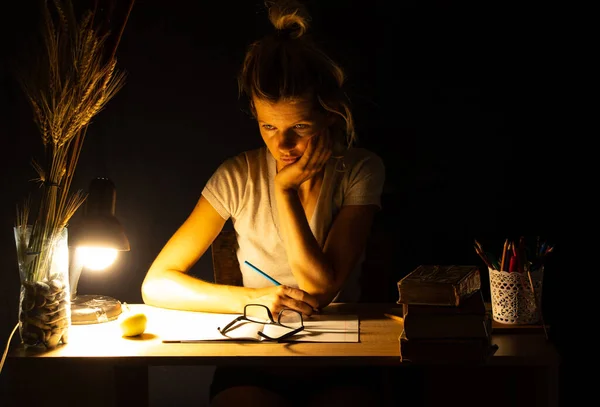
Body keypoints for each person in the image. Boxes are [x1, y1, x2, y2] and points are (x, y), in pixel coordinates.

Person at [141, 1, 386, 406]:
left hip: (341, 355)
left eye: (300, 127)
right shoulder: (235, 176)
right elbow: (157, 283)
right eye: (268, 126)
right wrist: (255, 298)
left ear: (330, 116)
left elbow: (320, 288)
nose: (282, 144)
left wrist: (285, 190)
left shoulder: (360, 169)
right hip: (255, 353)